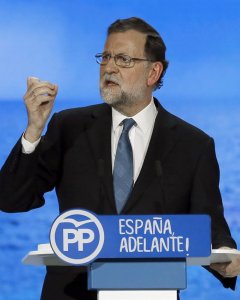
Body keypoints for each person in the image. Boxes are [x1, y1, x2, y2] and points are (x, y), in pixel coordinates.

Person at [0, 17, 239, 300]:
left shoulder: (193, 145)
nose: (109, 67)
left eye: (123, 59)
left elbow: (211, 228)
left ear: (153, 72)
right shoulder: (69, 127)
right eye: (105, 57)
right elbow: (11, 199)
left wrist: (228, 259)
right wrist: (33, 131)